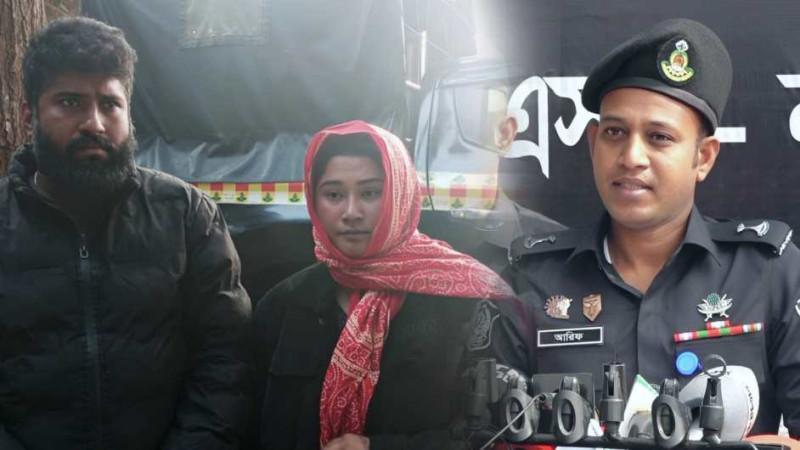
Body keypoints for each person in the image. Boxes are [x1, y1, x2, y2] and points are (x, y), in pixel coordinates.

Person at [468, 18, 800, 437]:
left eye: (659, 137)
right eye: (615, 132)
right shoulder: (528, 281)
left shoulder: (769, 273)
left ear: (703, 158)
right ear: (593, 144)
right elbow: (479, 434)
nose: (631, 157)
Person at [0, 17, 252, 449]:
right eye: (70, 102)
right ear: (29, 116)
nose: (94, 123)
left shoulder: (186, 215)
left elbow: (226, 356)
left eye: (110, 104)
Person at [255, 120, 512, 450]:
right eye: (333, 194)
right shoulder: (282, 307)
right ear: (313, 201)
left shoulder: (468, 298)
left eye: (370, 193)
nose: (351, 212)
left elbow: (496, 433)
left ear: (400, 194)